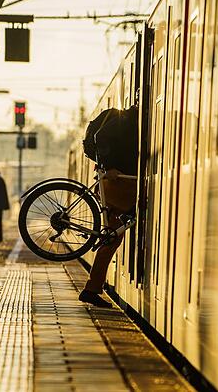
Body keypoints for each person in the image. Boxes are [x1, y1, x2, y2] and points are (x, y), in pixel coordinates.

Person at [78, 105, 139, 308]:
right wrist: (108, 165)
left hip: (120, 183)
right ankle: (91, 289)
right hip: (117, 183)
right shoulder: (127, 120)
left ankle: (92, 288)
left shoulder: (130, 120)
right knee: (113, 236)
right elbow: (101, 137)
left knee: (113, 237)